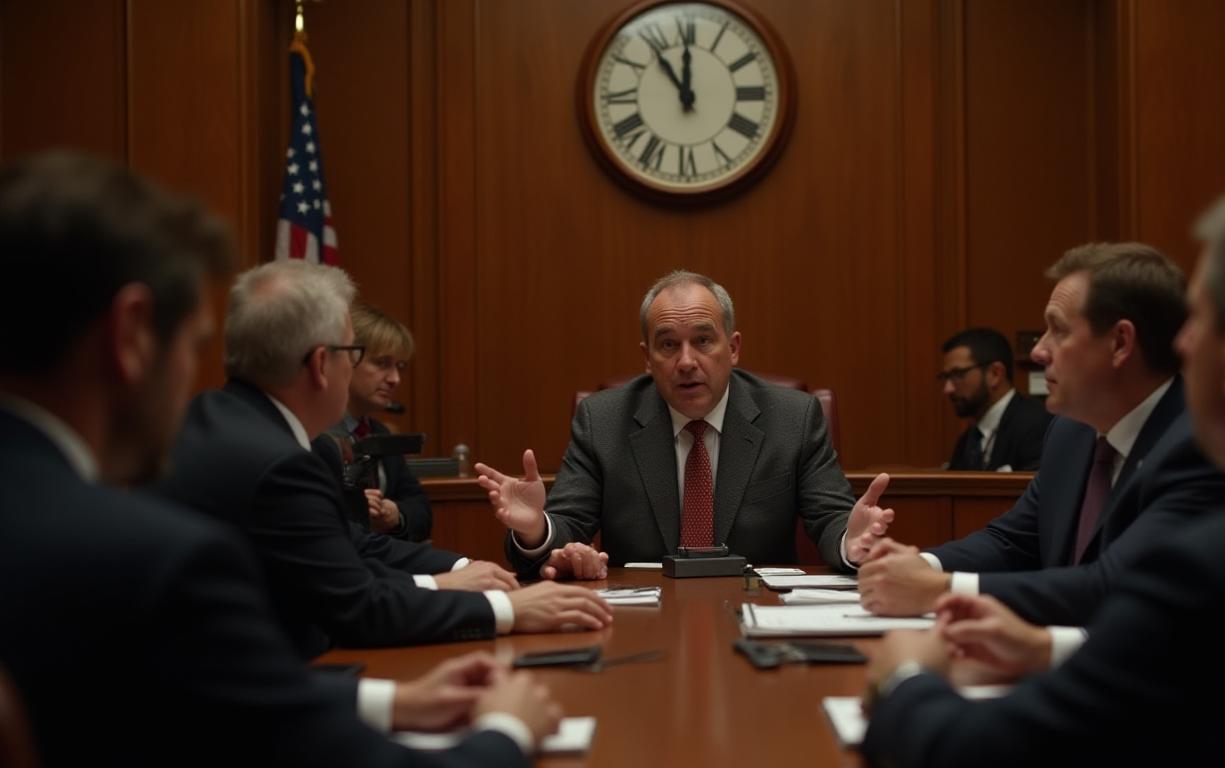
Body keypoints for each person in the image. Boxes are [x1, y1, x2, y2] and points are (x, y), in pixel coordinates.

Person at [0, 151, 558, 767]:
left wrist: (387, 701)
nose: (189, 375)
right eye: (192, 344)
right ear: (130, 335)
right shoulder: (150, 560)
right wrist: (507, 729)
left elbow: (199, 696)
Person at [862, 175, 1225, 765]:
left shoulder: (1223, 568)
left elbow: (980, 753)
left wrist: (904, 676)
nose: (1181, 344)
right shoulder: (1073, 436)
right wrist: (1043, 646)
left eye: (1197, 321)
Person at [159, 259, 611, 658]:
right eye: (354, 352)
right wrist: (505, 608)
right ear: (321, 364)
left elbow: (346, 547)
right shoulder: (279, 463)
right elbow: (355, 607)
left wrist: (458, 571)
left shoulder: (220, 419)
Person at [860, 243, 1225, 626]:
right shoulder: (1070, 433)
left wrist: (941, 589)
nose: (1039, 352)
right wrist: (920, 564)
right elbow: (1013, 541)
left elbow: (1114, 586)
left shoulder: (1203, 445)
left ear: (1120, 343)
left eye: (1058, 330)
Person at [476, 270, 895, 580]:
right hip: (643, 621)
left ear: (733, 348)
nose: (687, 361)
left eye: (703, 340)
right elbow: (568, 525)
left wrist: (851, 540)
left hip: (756, 608)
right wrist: (536, 530)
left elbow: (831, 518)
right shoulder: (603, 421)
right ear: (647, 357)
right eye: (668, 345)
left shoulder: (794, 418)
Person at [314, 303, 432, 541]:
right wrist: (354, 507)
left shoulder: (379, 433)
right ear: (347, 359)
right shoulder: (314, 432)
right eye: (382, 363)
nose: (395, 379)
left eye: (399, 367)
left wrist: (396, 514)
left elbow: (421, 510)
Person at [940, 327, 1052, 471]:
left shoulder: (1038, 426)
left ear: (995, 374)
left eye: (958, 374)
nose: (948, 388)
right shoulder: (968, 441)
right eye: (946, 377)